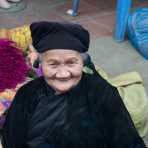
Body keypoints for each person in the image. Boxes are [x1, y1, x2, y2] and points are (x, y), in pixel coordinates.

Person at [1, 21, 146, 148]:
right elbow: (12, 142)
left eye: (71, 62)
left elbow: (127, 141)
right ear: (40, 65)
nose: (63, 74)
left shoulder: (101, 92)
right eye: (53, 64)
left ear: (82, 63)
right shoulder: (27, 95)